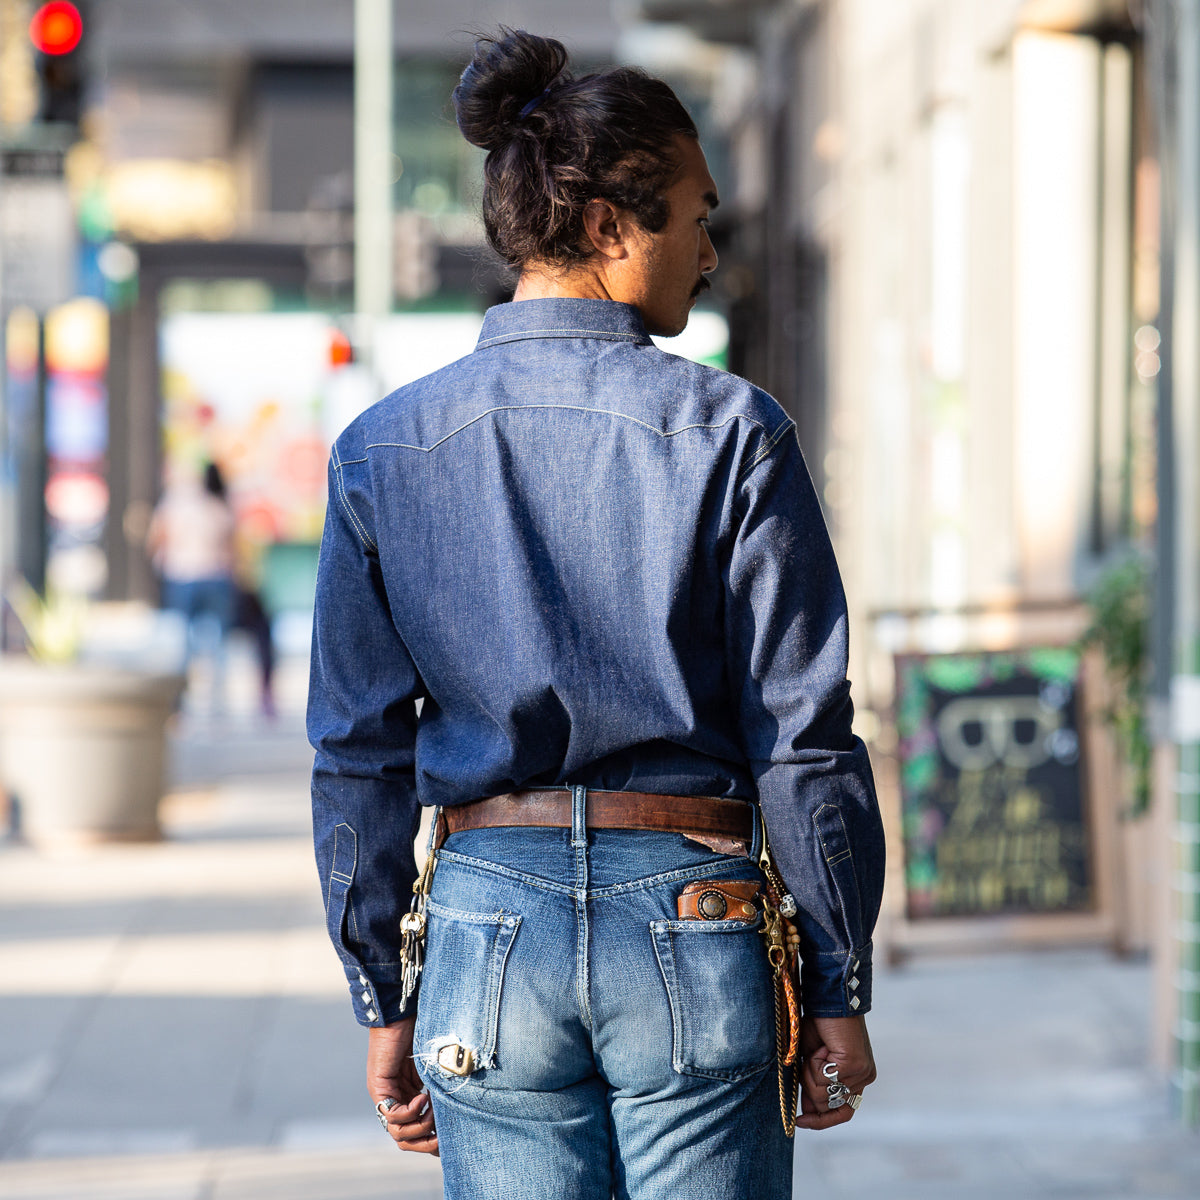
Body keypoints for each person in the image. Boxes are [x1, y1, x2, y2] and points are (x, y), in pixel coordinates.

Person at [308, 28, 884, 1200]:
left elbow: (355, 751)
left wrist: (383, 991)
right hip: (696, 913)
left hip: (485, 930)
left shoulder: (385, 452)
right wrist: (835, 983)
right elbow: (804, 736)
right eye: (696, 215)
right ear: (611, 226)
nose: (711, 251)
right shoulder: (734, 434)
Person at [148, 459, 236, 711]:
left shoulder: (175, 504)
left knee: (182, 644)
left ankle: (179, 704)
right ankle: (218, 703)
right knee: (218, 644)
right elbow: (232, 549)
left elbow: (156, 538)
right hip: (216, 576)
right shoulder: (221, 507)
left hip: (182, 576)